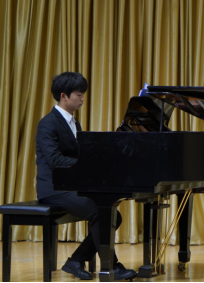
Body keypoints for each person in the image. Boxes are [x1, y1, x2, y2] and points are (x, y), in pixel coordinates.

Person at [35, 72, 136, 281]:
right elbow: (55, 159)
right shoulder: (48, 123)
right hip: (53, 189)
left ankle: (76, 260)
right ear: (64, 96)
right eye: (79, 95)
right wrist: (87, 164)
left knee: (113, 215)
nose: (83, 99)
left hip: (70, 186)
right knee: (98, 211)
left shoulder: (74, 123)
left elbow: (79, 155)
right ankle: (112, 267)